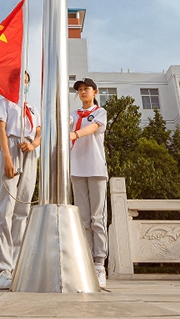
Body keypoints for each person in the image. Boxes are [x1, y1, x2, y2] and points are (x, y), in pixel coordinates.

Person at [0, 72, 41, 290]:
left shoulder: (33, 109)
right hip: (10, 148)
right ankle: (3, 269)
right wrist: (7, 157)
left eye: (26, 81)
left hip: (29, 153)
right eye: (19, 80)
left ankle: (17, 264)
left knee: (22, 210)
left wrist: (33, 145)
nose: (23, 84)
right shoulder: (5, 103)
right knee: (5, 210)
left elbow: (39, 132)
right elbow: (1, 129)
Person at [68, 77, 108, 288]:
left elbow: (93, 128)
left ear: (95, 92)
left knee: (97, 218)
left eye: (86, 89)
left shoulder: (100, 112)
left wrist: (74, 133)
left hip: (96, 169)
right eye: (80, 90)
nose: (83, 92)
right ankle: (86, 263)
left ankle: (99, 264)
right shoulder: (72, 114)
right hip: (77, 170)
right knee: (83, 219)